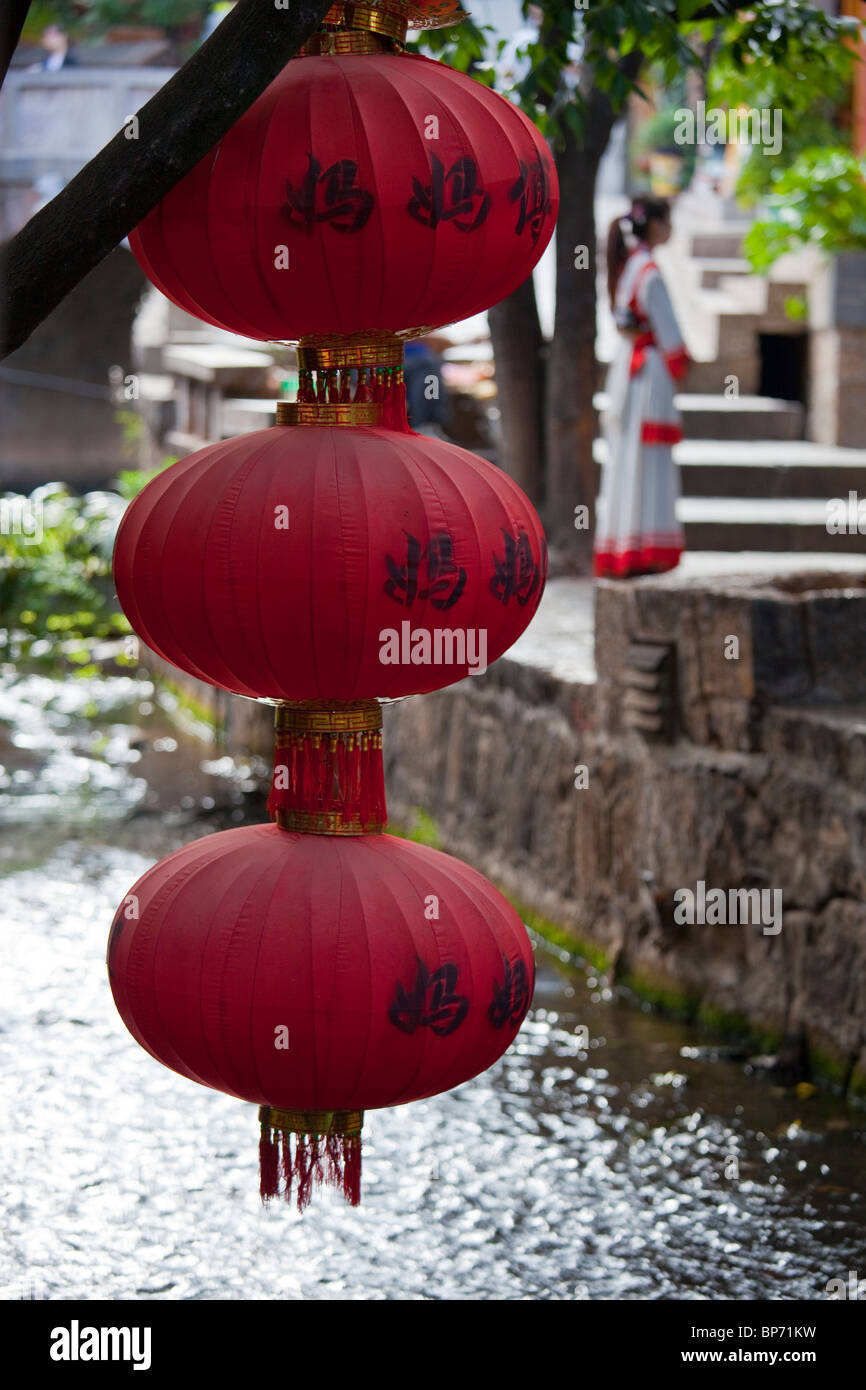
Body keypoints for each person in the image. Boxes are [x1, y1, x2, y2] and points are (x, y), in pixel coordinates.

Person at [594, 195, 690, 579]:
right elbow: (671, 338)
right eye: (667, 222)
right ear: (653, 224)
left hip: (632, 369)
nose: (671, 229)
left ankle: (626, 544)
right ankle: (645, 547)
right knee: (647, 460)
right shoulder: (648, 271)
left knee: (630, 460)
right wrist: (682, 360)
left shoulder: (630, 267)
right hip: (649, 372)